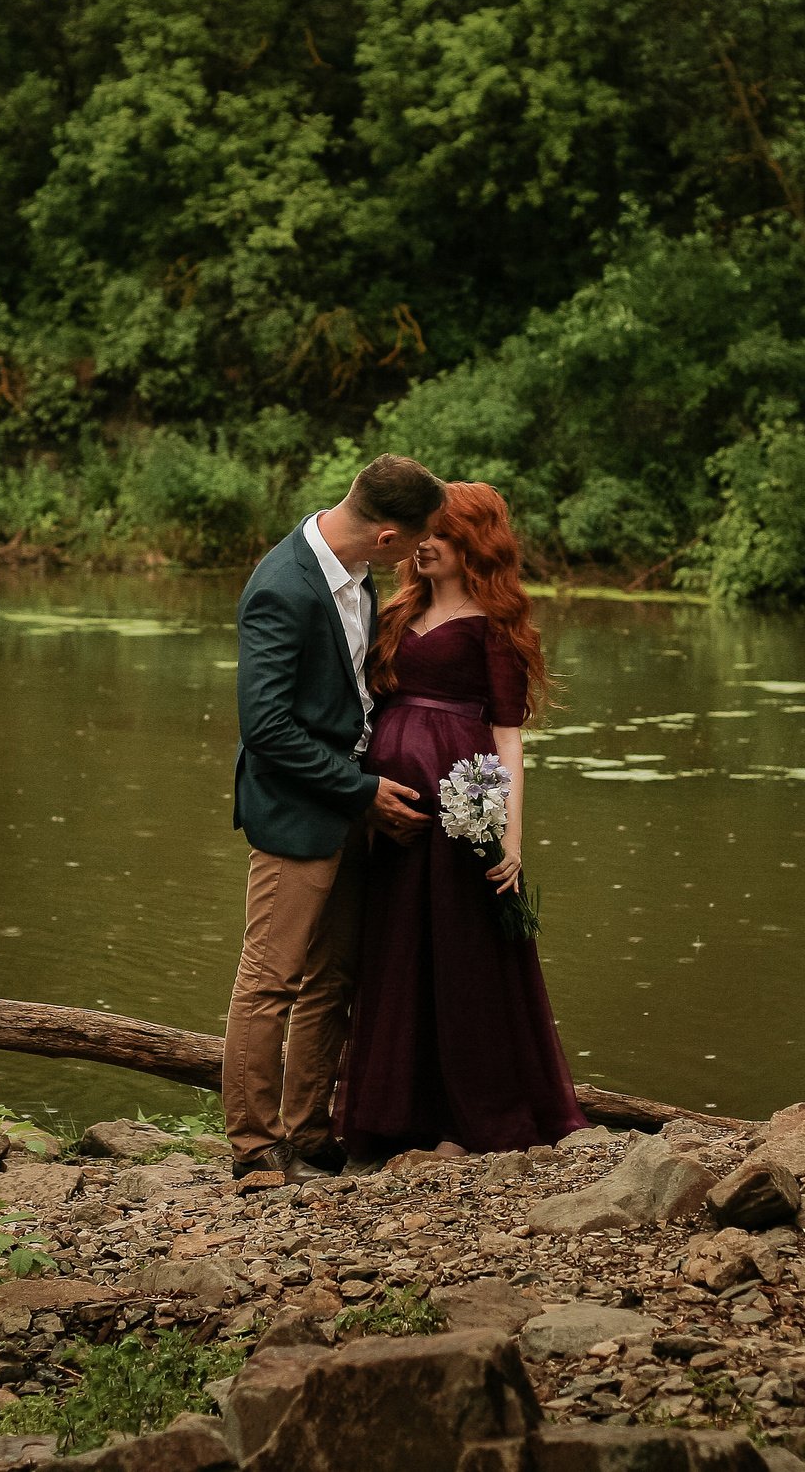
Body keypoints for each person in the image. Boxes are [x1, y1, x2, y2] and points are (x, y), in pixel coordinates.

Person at [334, 481, 590, 1158]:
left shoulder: (495, 625)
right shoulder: (394, 610)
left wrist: (510, 835)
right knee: (395, 951)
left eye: (439, 536)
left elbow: (507, 734)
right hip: (386, 813)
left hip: (462, 811)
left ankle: (472, 1112)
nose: (422, 545)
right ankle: (393, 1113)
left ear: (472, 545)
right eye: (421, 533)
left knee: (460, 954)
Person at [223, 454, 444, 1182]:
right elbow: (265, 727)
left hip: (352, 805)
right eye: (415, 540)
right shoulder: (282, 586)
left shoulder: (358, 575)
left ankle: (309, 1131)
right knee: (271, 980)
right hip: (297, 811)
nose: (417, 552)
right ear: (386, 537)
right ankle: (255, 1147)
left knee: (333, 978)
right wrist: (360, 790)